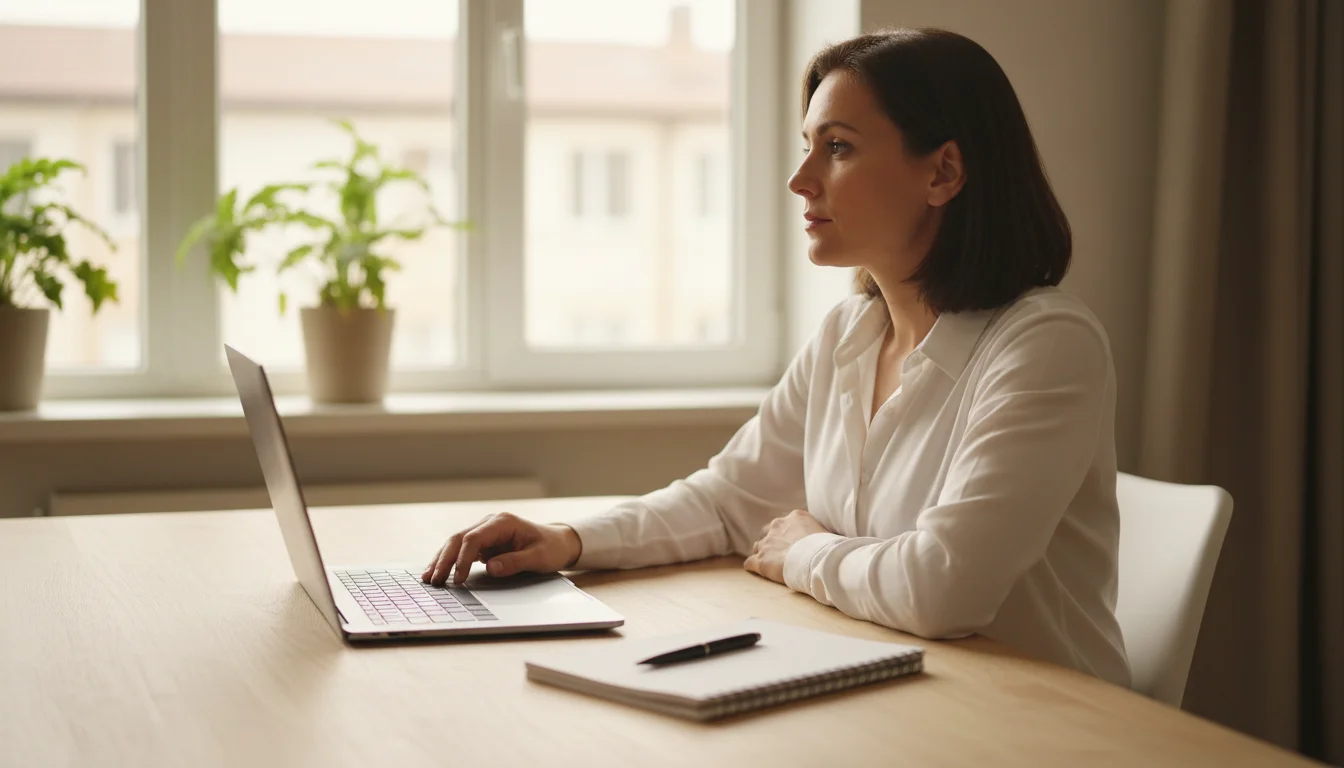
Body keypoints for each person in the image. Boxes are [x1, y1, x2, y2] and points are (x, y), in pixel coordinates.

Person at [424, 28, 1130, 687]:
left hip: (1034, 718)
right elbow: (730, 503)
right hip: (900, 687)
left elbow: (945, 589)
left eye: (839, 148)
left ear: (943, 172)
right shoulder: (849, 333)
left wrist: (803, 553)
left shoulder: (1045, 347)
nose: (801, 180)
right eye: (807, 145)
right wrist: (569, 540)